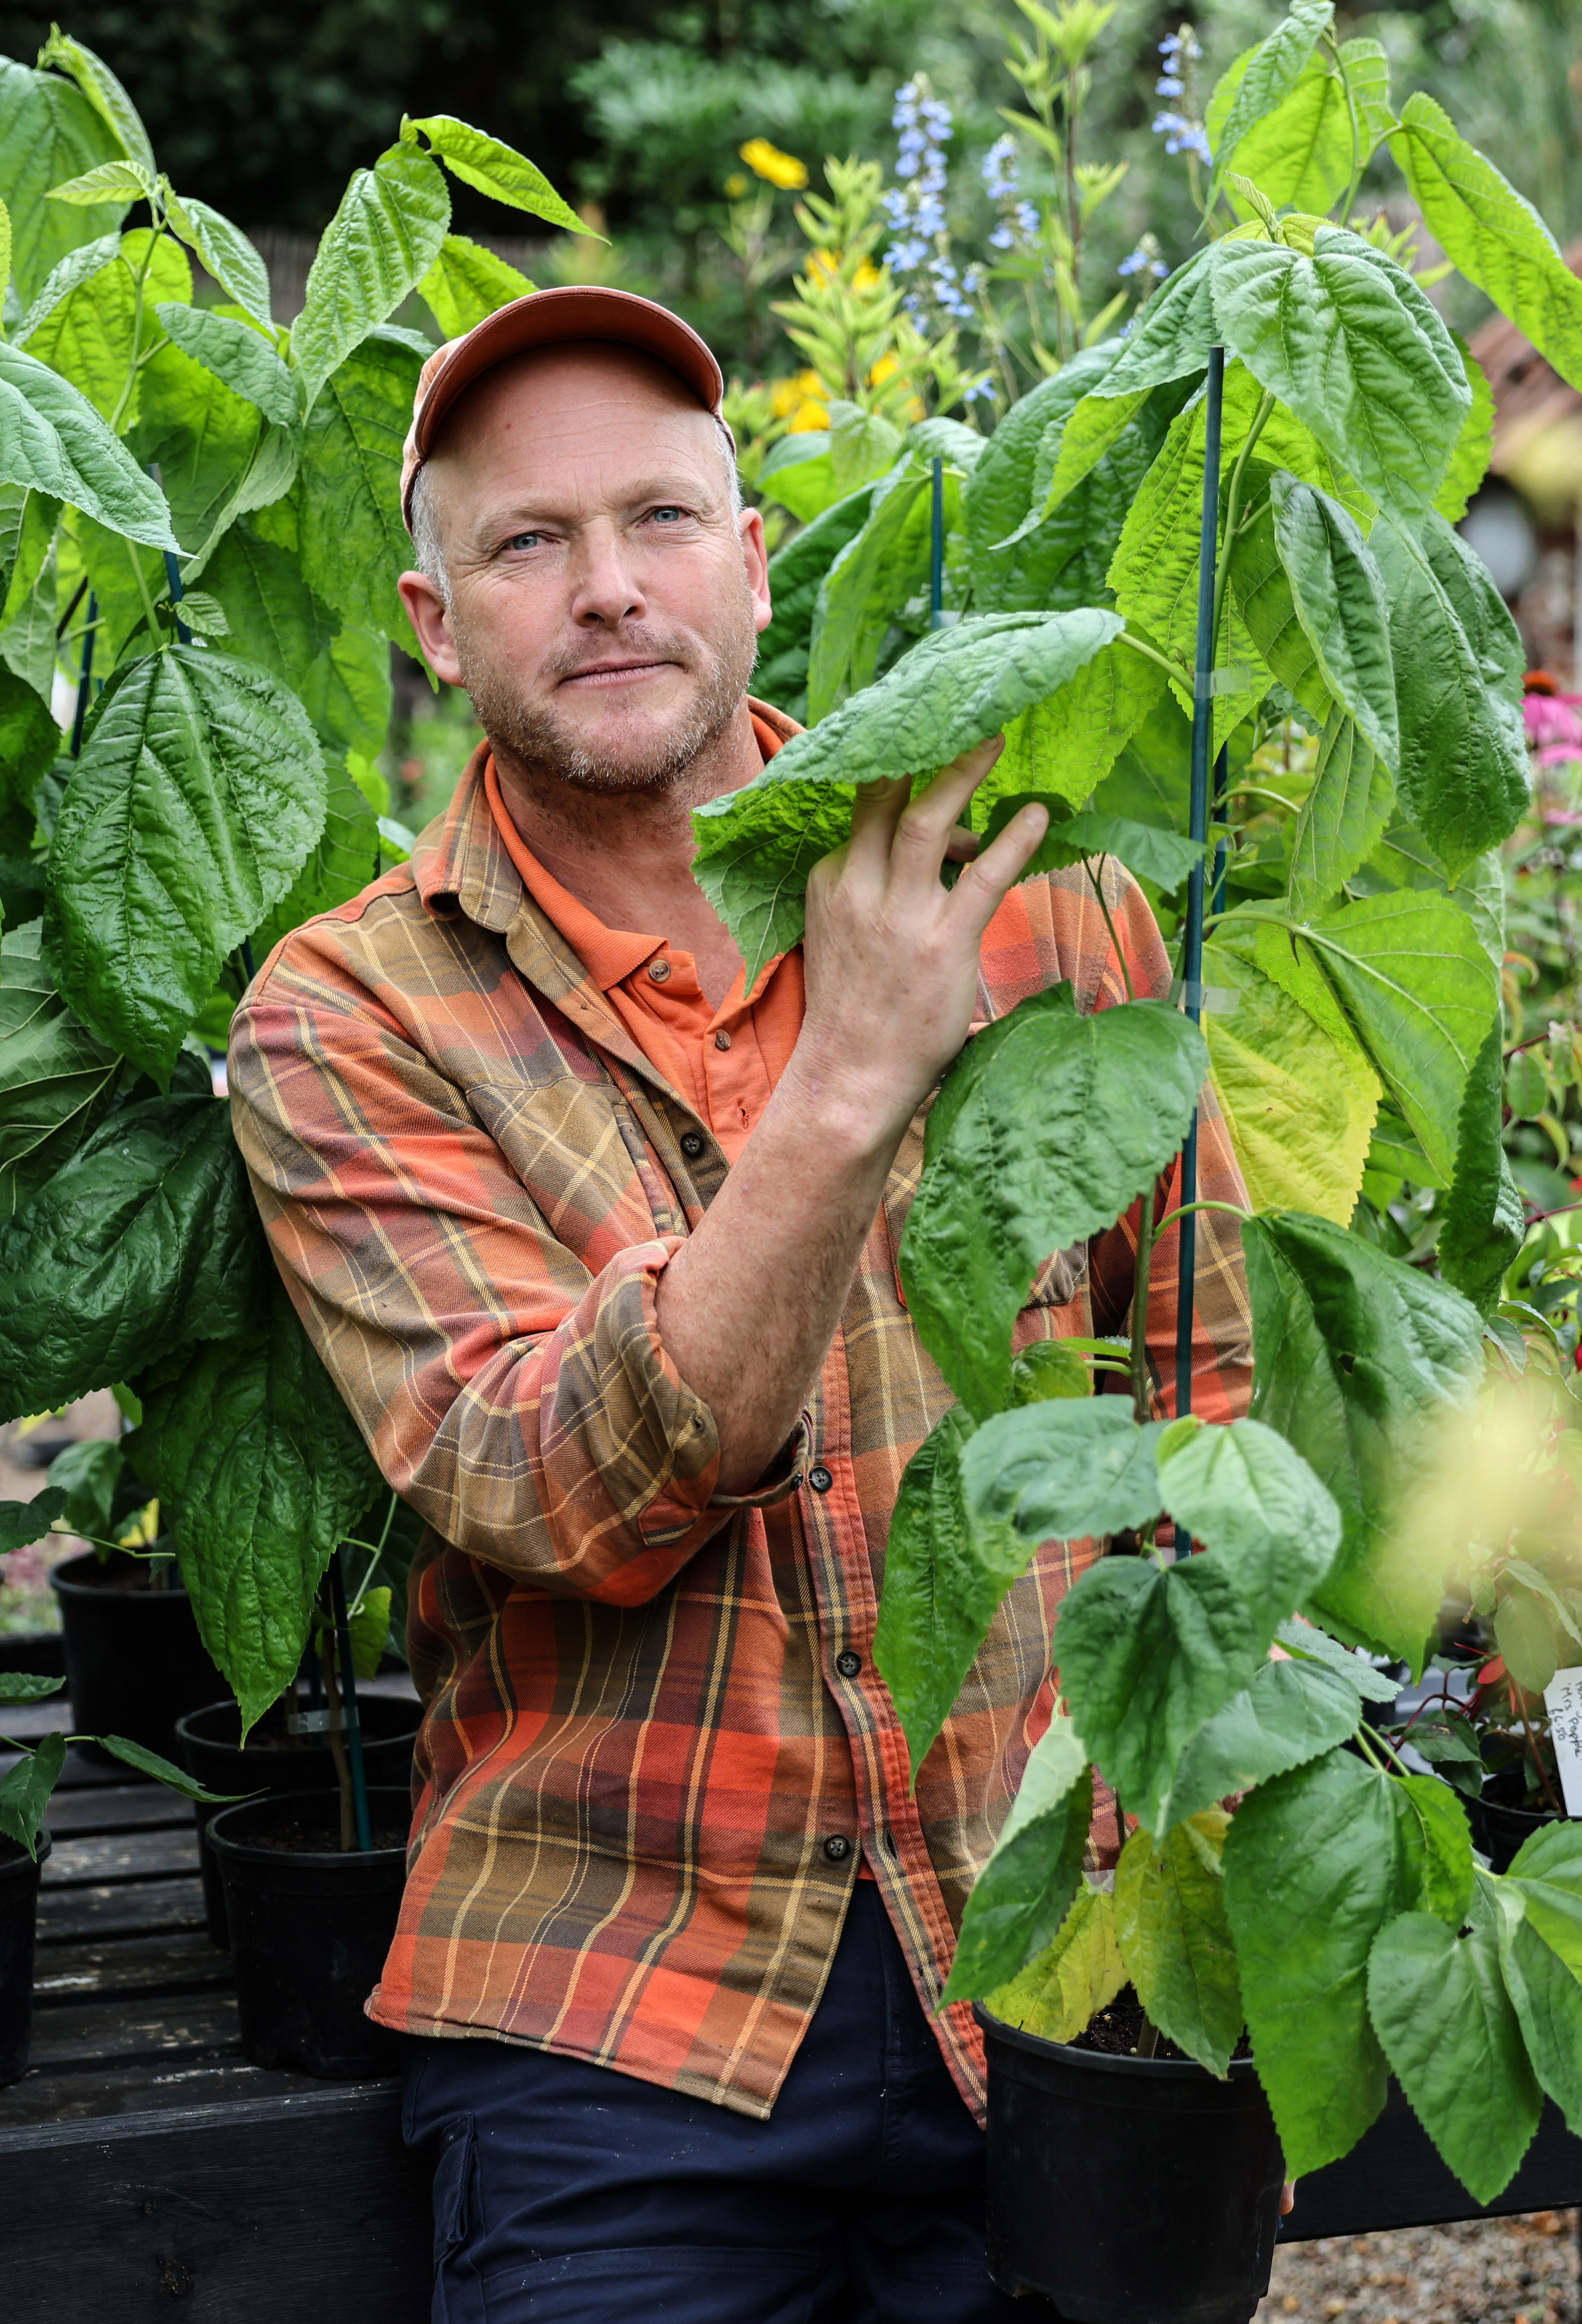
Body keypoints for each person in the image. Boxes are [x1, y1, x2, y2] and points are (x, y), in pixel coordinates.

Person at [227, 285, 1252, 2323]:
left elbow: (1205, 1404)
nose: (608, 590)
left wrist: (1188, 1871)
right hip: (622, 2007)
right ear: (438, 625)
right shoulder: (349, 1013)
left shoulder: (1044, 902)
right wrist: (856, 1077)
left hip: (1050, 1937)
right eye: (527, 544)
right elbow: (558, 1497)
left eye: (662, 521)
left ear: (755, 561)